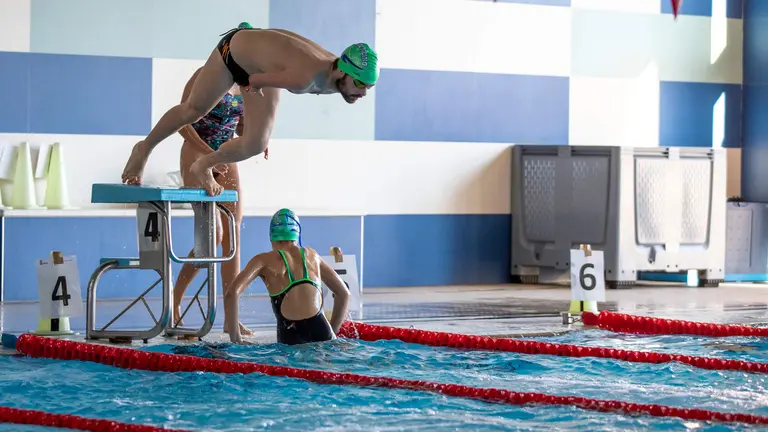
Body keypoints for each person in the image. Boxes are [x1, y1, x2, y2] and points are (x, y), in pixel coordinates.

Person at [121, 24, 379, 196]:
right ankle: (146, 149)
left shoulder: (335, 71)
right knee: (194, 110)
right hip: (234, 53)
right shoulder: (305, 77)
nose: (363, 92)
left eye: (368, 86)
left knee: (255, 142)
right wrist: (257, 130)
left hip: (260, 61)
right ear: (343, 70)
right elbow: (253, 82)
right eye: (359, 83)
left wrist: (256, 131)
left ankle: (206, 164)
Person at [171, 55, 267, 336]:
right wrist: (209, 155)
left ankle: (230, 316)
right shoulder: (205, 75)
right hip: (196, 152)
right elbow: (181, 122)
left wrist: (260, 135)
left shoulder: (248, 86)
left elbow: (240, 128)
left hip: (227, 156)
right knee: (212, 237)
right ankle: (175, 301)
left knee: (233, 235)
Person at [223, 209, 350, 345]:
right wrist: (332, 333)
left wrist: (236, 339)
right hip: (322, 330)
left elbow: (231, 293)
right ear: (297, 234)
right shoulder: (313, 256)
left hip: (290, 335)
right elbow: (344, 293)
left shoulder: (263, 260)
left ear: (271, 236)